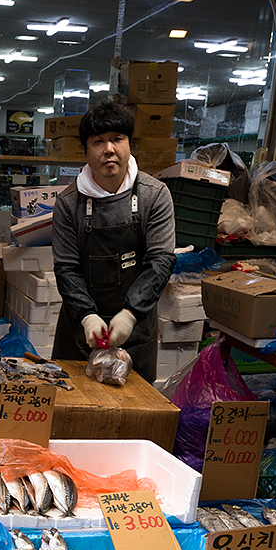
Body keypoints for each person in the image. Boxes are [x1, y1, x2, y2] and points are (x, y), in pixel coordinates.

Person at [51, 101, 175, 382]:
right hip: (80, 332)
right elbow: (66, 268)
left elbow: (161, 261)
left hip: (136, 330)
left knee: (134, 406)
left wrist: (130, 313)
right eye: (98, 141)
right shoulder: (68, 203)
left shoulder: (154, 195)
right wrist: (87, 316)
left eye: (117, 139)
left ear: (130, 144)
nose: (109, 149)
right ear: (85, 151)